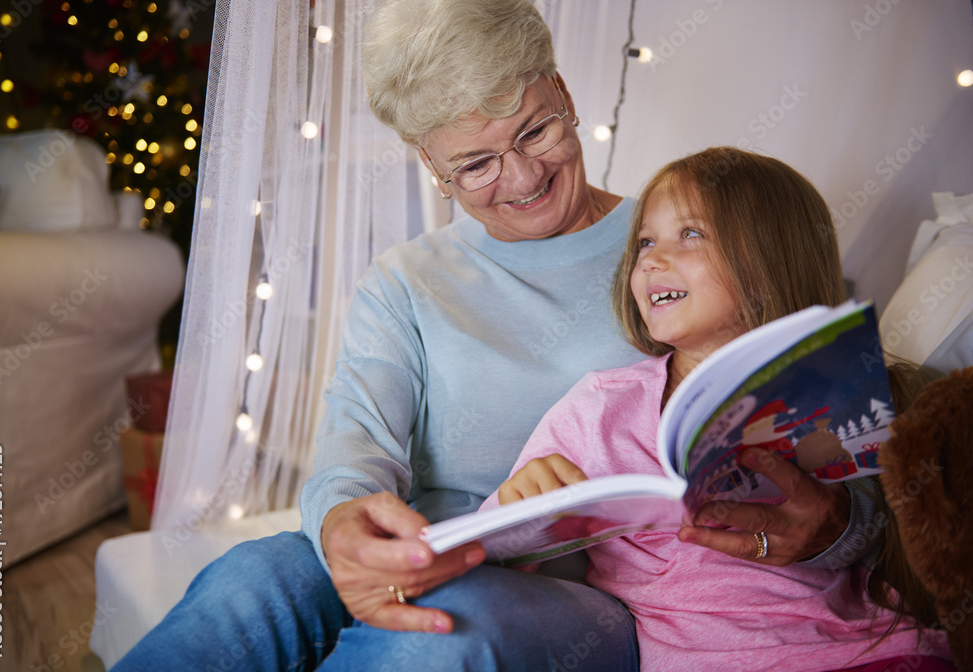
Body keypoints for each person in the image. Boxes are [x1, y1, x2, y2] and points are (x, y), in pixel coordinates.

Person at [111, 2, 885, 670]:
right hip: (440, 544)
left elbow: (830, 430)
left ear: (564, 92)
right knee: (252, 581)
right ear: (430, 164)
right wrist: (349, 522)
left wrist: (836, 526)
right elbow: (356, 443)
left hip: (597, 594)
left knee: (444, 631)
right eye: (474, 163)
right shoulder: (406, 280)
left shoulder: (686, 244)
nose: (519, 178)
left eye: (535, 129)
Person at [482, 146, 954, 671]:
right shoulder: (598, 409)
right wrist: (517, 509)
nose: (652, 259)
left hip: (870, 651)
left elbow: (908, 540)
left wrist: (843, 524)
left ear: (775, 256)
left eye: (691, 234)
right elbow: (487, 547)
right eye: (644, 241)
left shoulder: (845, 391)